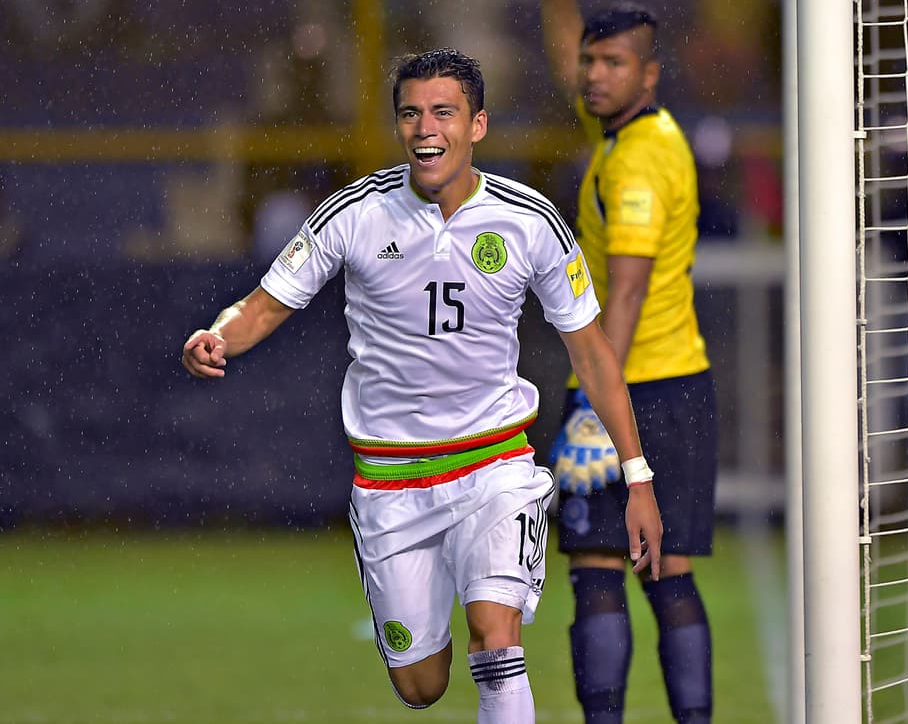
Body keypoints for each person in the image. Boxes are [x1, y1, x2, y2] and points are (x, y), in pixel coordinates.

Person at [180, 48, 663, 723]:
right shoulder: (355, 213)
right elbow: (262, 305)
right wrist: (217, 335)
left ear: (478, 125)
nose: (426, 128)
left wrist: (637, 476)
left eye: (443, 112)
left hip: (493, 465)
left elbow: (593, 351)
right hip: (391, 481)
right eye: (411, 113)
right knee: (421, 685)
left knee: (497, 640)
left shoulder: (530, 221)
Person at [530, 0, 721, 724]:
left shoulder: (638, 161)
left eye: (613, 63)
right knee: (666, 572)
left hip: (637, 388)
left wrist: (591, 407)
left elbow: (631, 288)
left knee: (601, 569)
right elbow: (564, 54)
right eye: (592, 62)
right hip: (679, 385)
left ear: (650, 73)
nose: (594, 74)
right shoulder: (638, 132)